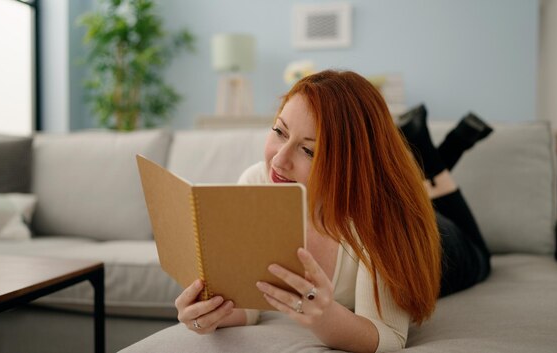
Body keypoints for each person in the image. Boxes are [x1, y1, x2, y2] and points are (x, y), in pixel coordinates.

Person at [174, 70, 492, 353]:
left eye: (309, 150)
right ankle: (423, 153)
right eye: (280, 131)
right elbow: (253, 302)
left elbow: (389, 335)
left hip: (443, 246)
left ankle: (436, 159)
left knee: (479, 252)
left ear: (349, 163)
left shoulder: (384, 219)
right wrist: (212, 313)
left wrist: (324, 318)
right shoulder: (258, 183)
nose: (279, 161)